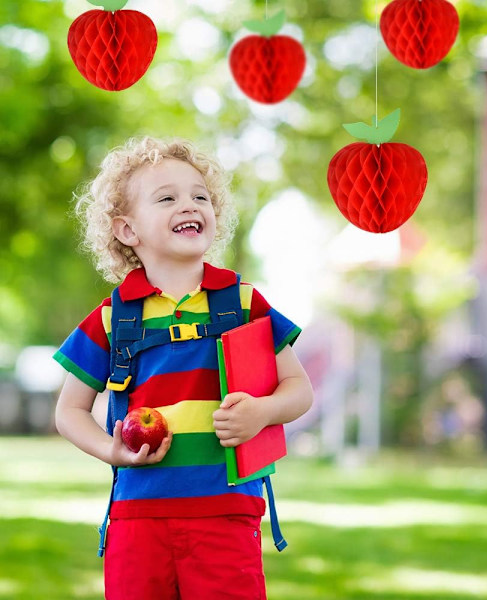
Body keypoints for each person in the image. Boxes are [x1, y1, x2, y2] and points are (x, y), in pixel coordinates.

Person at [53, 136, 314, 600]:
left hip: (227, 511)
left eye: (200, 196)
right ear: (127, 230)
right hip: (138, 516)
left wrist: (262, 411)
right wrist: (111, 451)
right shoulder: (115, 318)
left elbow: (299, 388)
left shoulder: (243, 302)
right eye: (167, 198)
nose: (189, 204)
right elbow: (69, 411)